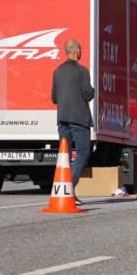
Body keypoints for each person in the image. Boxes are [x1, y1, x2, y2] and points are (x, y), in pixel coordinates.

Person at [51, 39, 95, 204]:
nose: (81, 51)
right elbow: (88, 94)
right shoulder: (82, 71)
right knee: (83, 152)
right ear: (76, 51)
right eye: (81, 49)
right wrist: (93, 90)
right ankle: (70, 186)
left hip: (62, 119)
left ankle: (63, 190)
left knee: (65, 155)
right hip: (79, 119)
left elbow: (54, 98)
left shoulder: (57, 71)